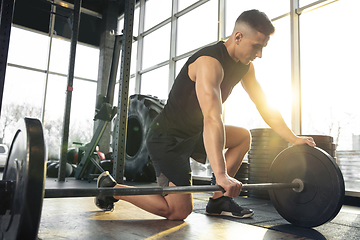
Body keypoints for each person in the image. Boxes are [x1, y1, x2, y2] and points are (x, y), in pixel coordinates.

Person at [95, 9, 316, 220]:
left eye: (263, 47)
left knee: (242, 137)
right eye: (256, 46)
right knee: (178, 213)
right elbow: (212, 117)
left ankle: (219, 202)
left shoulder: (245, 66)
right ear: (238, 36)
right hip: (168, 140)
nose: (259, 54)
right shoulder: (209, 63)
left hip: (194, 134)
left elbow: (264, 104)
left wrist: (293, 139)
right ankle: (113, 189)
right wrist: (220, 174)